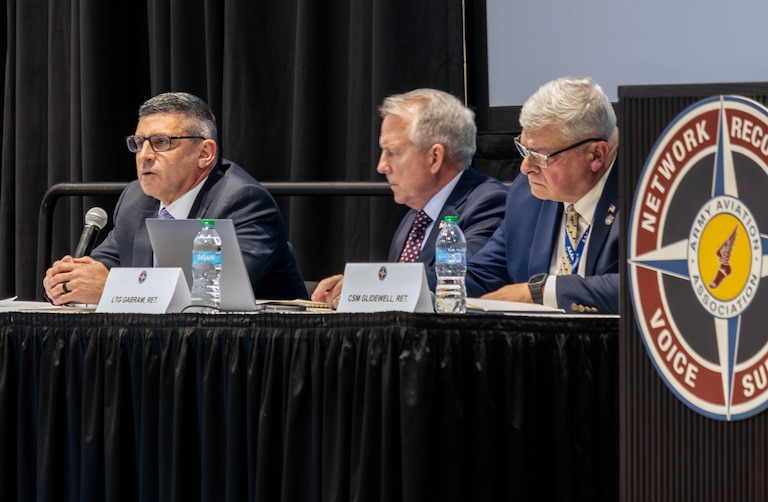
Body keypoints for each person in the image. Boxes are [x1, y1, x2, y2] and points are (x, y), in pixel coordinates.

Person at [43, 91, 308, 305]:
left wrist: (113, 289)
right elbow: (101, 268)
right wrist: (68, 282)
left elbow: (217, 294)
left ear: (205, 153)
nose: (144, 155)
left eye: (160, 143)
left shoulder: (243, 201)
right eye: (139, 142)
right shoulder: (137, 199)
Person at [311, 88, 508, 309]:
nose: (381, 166)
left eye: (393, 152)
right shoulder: (416, 215)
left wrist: (368, 287)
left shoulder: (487, 204)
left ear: (435, 157)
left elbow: (466, 281)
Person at [465, 76, 619, 314]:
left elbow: (647, 285)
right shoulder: (526, 195)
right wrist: (410, 286)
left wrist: (541, 292)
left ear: (596, 155)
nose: (525, 167)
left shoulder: (648, 197)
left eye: (540, 156)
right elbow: (484, 274)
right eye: (525, 149)